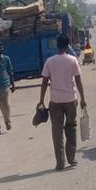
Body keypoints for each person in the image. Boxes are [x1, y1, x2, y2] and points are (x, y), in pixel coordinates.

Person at [39, 35, 86, 170]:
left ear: (57, 45)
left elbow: (44, 82)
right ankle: (71, 158)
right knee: (71, 128)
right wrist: (83, 98)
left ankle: (60, 162)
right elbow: (78, 81)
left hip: (55, 101)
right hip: (71, 100)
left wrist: (41, 101)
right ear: (67, 45)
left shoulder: (49, 61)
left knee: (57, 131)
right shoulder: (73, 60)